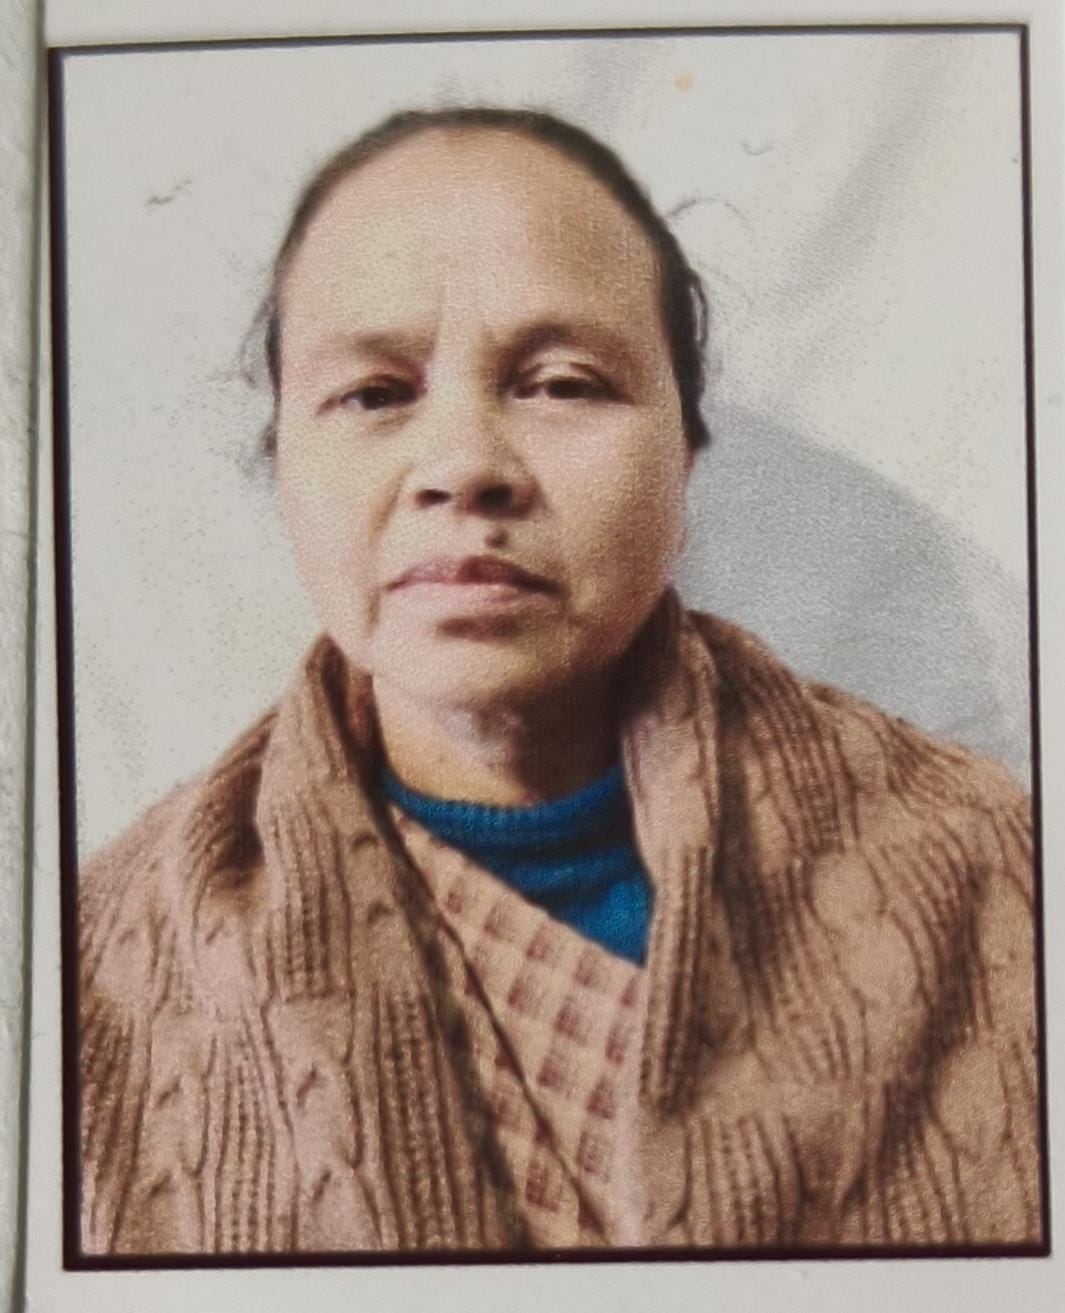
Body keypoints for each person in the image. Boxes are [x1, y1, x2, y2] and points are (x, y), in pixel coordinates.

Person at [78, 107, 1041, 1256]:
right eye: (375, 393)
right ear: (280, 458)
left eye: (562, 383)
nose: (464, 467)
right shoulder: (89, 971)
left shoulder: (995, 870)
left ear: (685, 452)